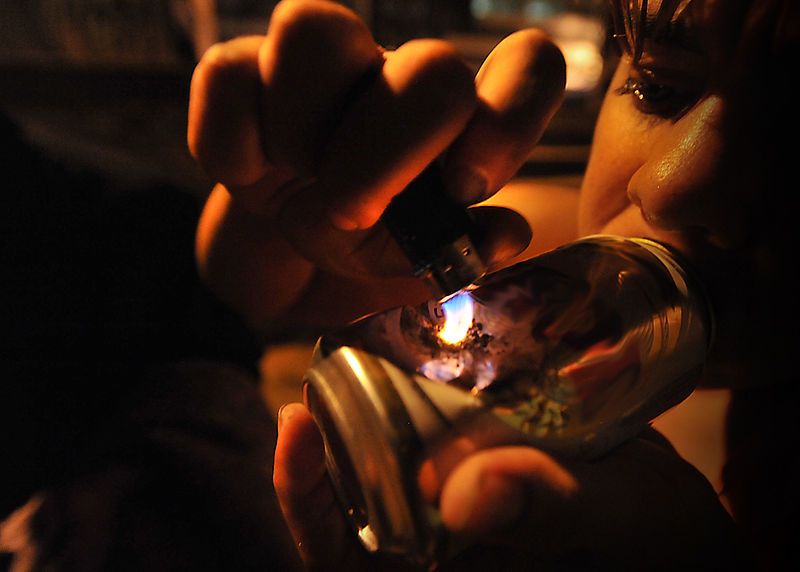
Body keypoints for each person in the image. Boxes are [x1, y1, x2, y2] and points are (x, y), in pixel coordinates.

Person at [187, 0, 799, 569]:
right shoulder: (562, 256)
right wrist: (294, 189)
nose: (669, 188)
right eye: (658, 88)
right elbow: (271, 286)